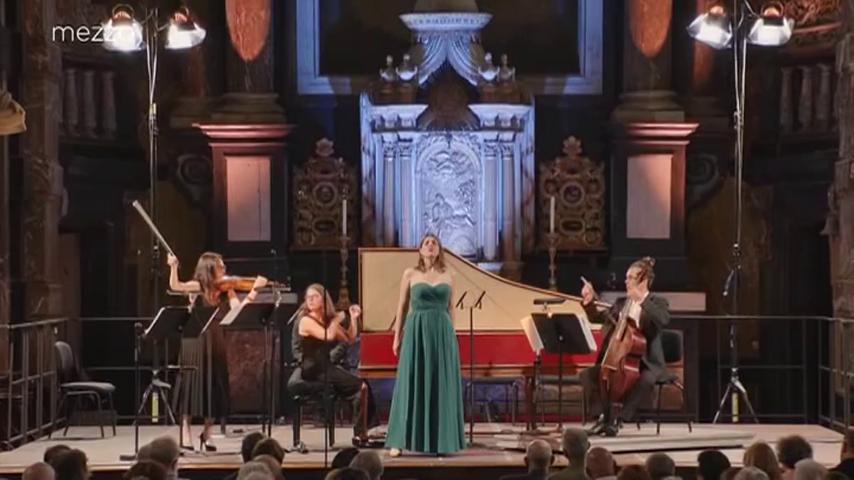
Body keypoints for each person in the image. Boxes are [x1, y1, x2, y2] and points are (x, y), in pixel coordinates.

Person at [167, 252, 267, 451]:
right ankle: (185, 431)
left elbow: (237, 310)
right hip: (194, 341)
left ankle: (207, 433)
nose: (224, 270)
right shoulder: (199, 286)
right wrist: (173, 267)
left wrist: (254, 291)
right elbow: (176, 286)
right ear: (210, 268)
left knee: (215, 385)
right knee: (191, 386)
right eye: (221, 267)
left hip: (216, 340)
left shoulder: (226, 289)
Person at [385, 233, 465, 456]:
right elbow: (401, 306)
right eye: (426, 243)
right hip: (416, 329)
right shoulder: (410, 273)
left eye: (434, 243)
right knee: (409, 381)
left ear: (439, 250)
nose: (430, 245)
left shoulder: (450, 274)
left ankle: (441, 441)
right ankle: (398, 440)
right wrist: (396, 336)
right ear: (420, 249)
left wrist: (453, 335)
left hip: (441, 330)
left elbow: (451, 307)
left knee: (440, 383)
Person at [579, 257, 670, 437]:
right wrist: (589, 303)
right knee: (589, 375)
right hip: (621, 358)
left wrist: (641, 300)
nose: (626, 281)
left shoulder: (658, 302)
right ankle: (603, 417)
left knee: (645, 380)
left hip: (646, 361)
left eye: (630, 278)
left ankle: (618, 419)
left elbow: (662, 320)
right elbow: (598, 317)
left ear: (643, 280)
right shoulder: (621, 303)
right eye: (626, 277)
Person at [287, 283, 378, 444]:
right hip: (313, 368)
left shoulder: (327, 320)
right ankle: (361, 434)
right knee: (361, 386)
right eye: (308, 297)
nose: (310, 300)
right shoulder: (305, 320)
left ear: (324, 299)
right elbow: (328, 335)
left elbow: (349, 338)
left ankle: (360, 433)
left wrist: (353, 318)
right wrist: (336, 320)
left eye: (315, 296)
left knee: (362, 387)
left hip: (326, 366)